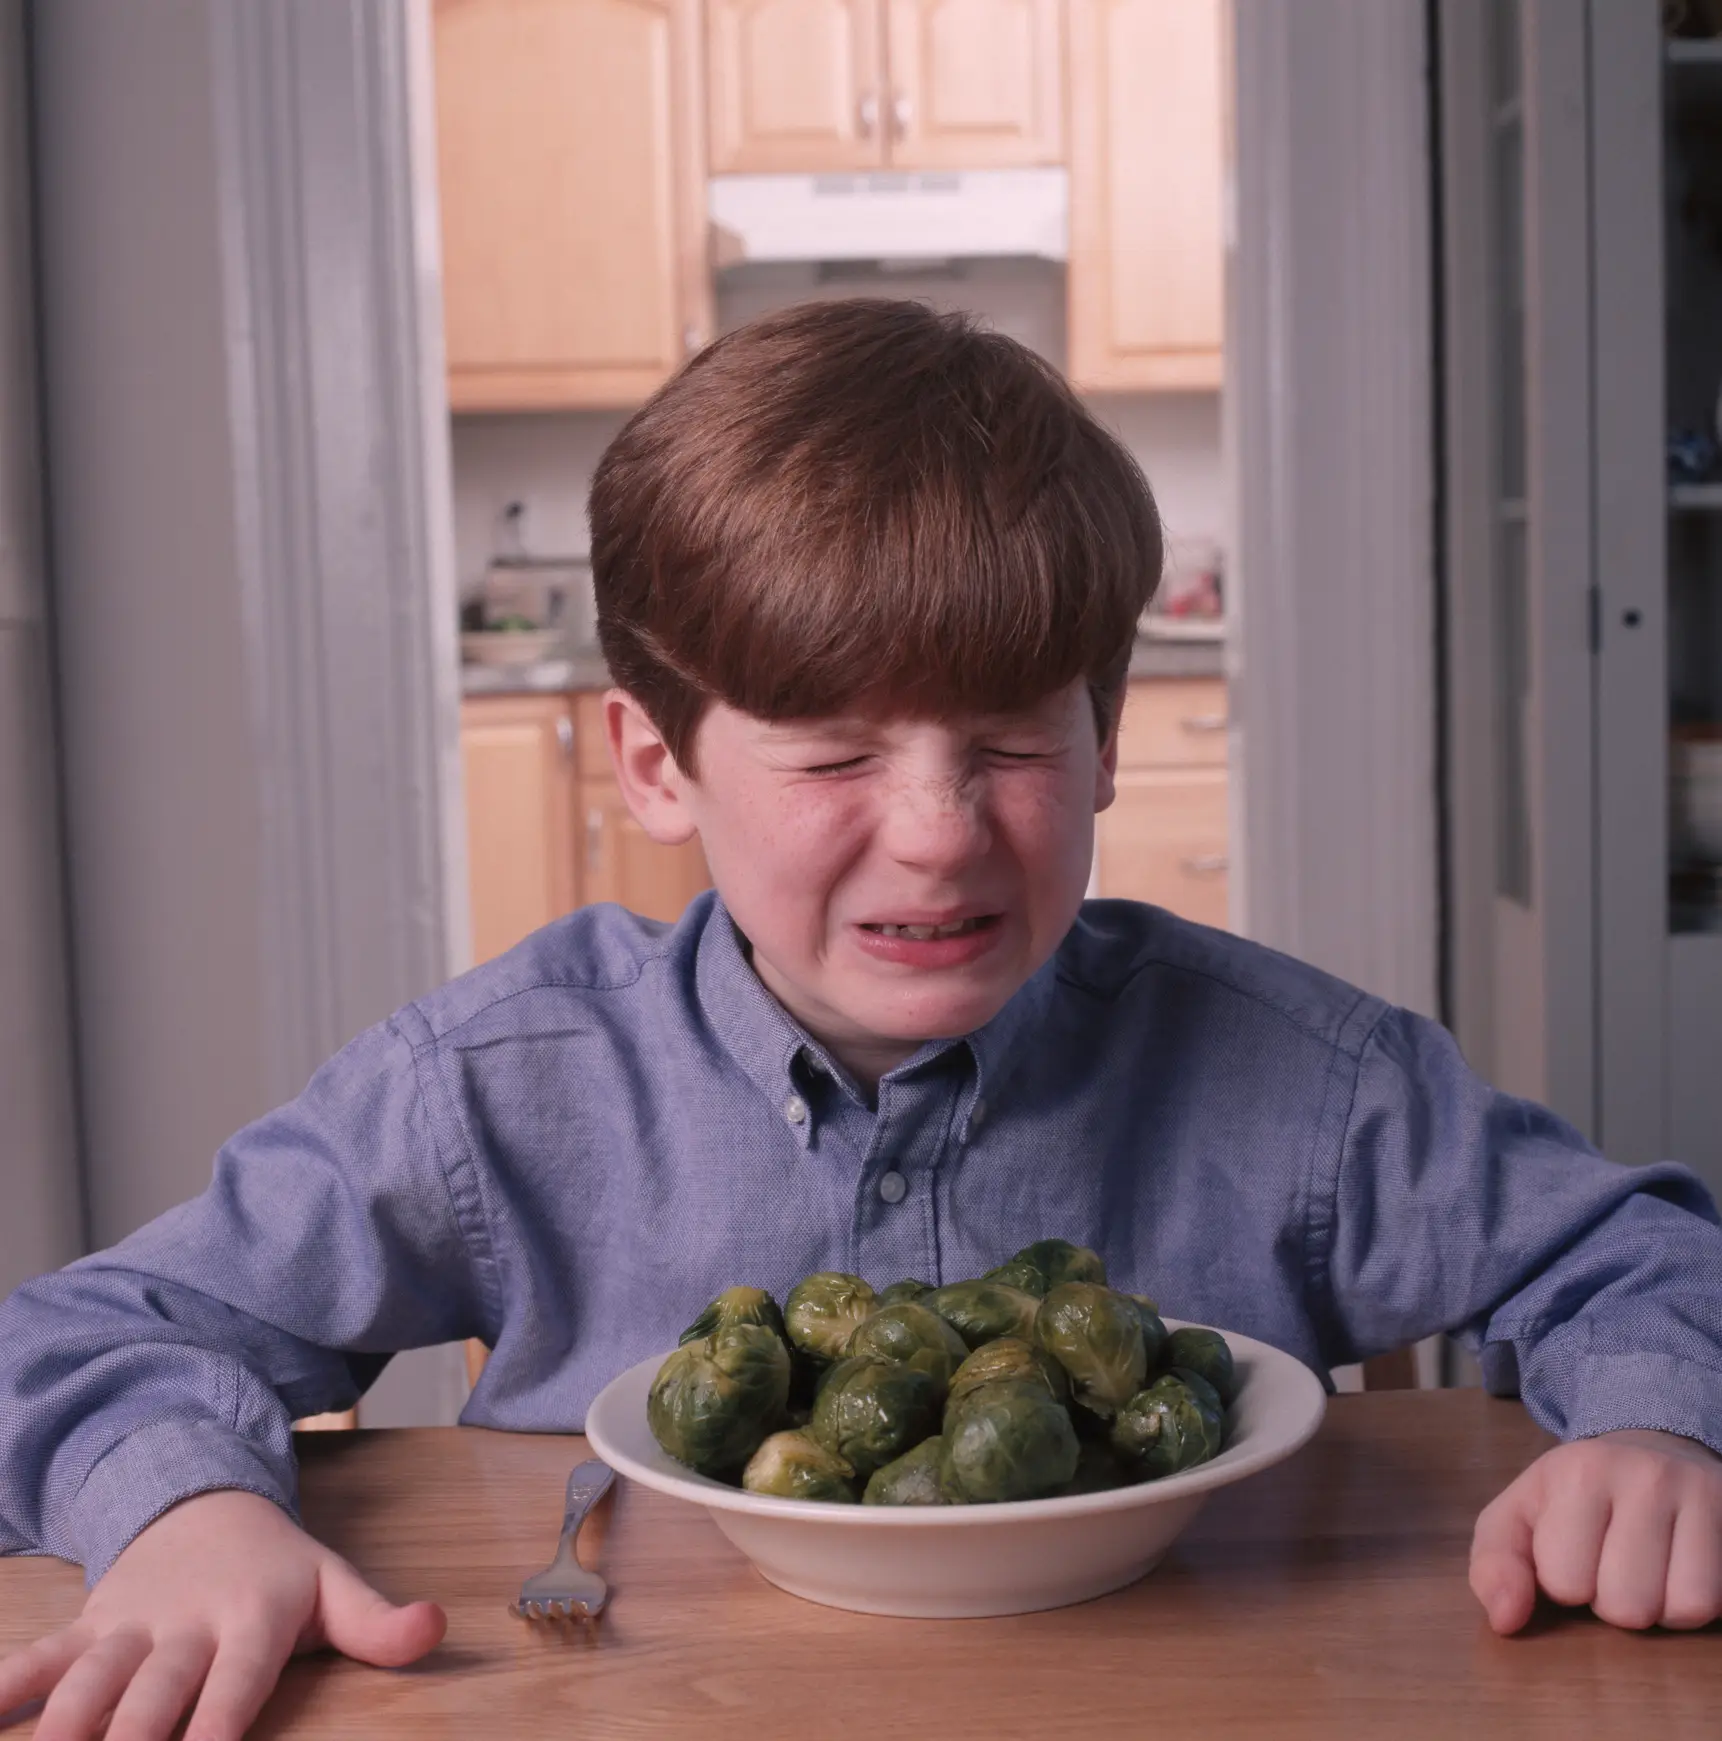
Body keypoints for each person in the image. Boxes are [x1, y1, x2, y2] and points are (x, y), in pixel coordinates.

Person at [2, 298, 1719, 1739]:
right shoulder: (493, 1090)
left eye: (1014, 744)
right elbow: (92, 1335)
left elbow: (1639, 1257)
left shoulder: (1307, 1082)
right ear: (654, 763)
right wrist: (188, 1515)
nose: (937, 833)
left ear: (1108, 741)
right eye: (832, 756)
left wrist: (1650, 1430)